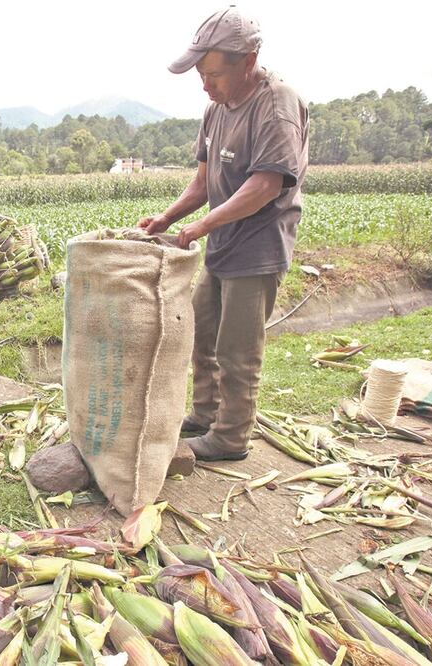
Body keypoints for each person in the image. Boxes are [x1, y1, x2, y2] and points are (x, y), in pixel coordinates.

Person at [138, 7, 309, 465]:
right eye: (200, 74)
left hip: (258, 245)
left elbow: (266, 184)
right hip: (222, 243)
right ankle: (206, 413)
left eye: (212, 74)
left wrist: (203, 226)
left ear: (247, 61)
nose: (205, 84)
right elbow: (202, 182)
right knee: (202, 331)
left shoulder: (276, 105)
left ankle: (231, 438)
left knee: (237, 349)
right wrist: (168, 219)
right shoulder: (216, 109)